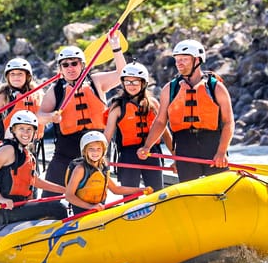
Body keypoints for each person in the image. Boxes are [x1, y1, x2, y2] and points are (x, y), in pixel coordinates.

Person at [38, 32, 126, 196]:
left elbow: (123, 74)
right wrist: (51, 117)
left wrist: (116, 48)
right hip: (65, 150)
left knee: (93, 196)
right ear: (60, 69)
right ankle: (49, 215)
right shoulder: (55, 90)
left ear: (82, 65)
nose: (70, 68)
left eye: (74, 63)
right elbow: (38, 117)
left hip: (94, 150)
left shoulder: (96, 82)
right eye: (65, 65)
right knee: (49, 196)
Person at [138, 39, 235, 182]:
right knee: (191, 196)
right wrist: (147, 146)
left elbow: (228, 122)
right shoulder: (169, 89)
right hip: (184, 147)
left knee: (220, 194)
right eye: (177, 59)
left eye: (184, 59)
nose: (179, 63)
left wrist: (221, 152)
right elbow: (160, 122)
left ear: (197, 60)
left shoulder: (216, 88)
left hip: (212, 146)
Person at [0, 111, 68, 225]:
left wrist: (66, 191)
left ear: (34, 132)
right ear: (13, 130)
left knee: (57, 206)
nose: (25, 133)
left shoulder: (27, 153)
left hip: (21, 206)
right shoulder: (8, 150)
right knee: (58, 208)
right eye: (21, 128)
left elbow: (35, 181)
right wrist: (1, 199)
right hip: (6, 209)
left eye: (29, 129)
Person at [103, 62, 172, 191]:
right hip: (128, 156)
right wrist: (100, 158)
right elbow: (107, 136)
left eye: (135, 82)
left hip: (152, 154)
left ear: (143, 83)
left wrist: (175, 156)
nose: (131, 85)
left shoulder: (153, 104)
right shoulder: (117, 106)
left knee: (156, 193)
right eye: (127, 81)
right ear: (123, 83)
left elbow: (165, 133)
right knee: (130, 197)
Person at [63, 131, 151, 217]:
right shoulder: (80, 169)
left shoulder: (103, 168)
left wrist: (141, 190)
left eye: (98, 149)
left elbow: (116, 189)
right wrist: (91, 207)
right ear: (85, 150)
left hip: (98, 210)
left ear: (104, 150)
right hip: (83, 213)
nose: (95, 152)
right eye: (91, 149)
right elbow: (69, 196)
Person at [0, 57, 47, 141]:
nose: (16, 77)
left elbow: (45, 115)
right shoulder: (3, 96)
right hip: (8, 143)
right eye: (12, 74)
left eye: (20, 74)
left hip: (31, 145)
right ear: (8, 77)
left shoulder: (37, 95)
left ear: (27, 76)